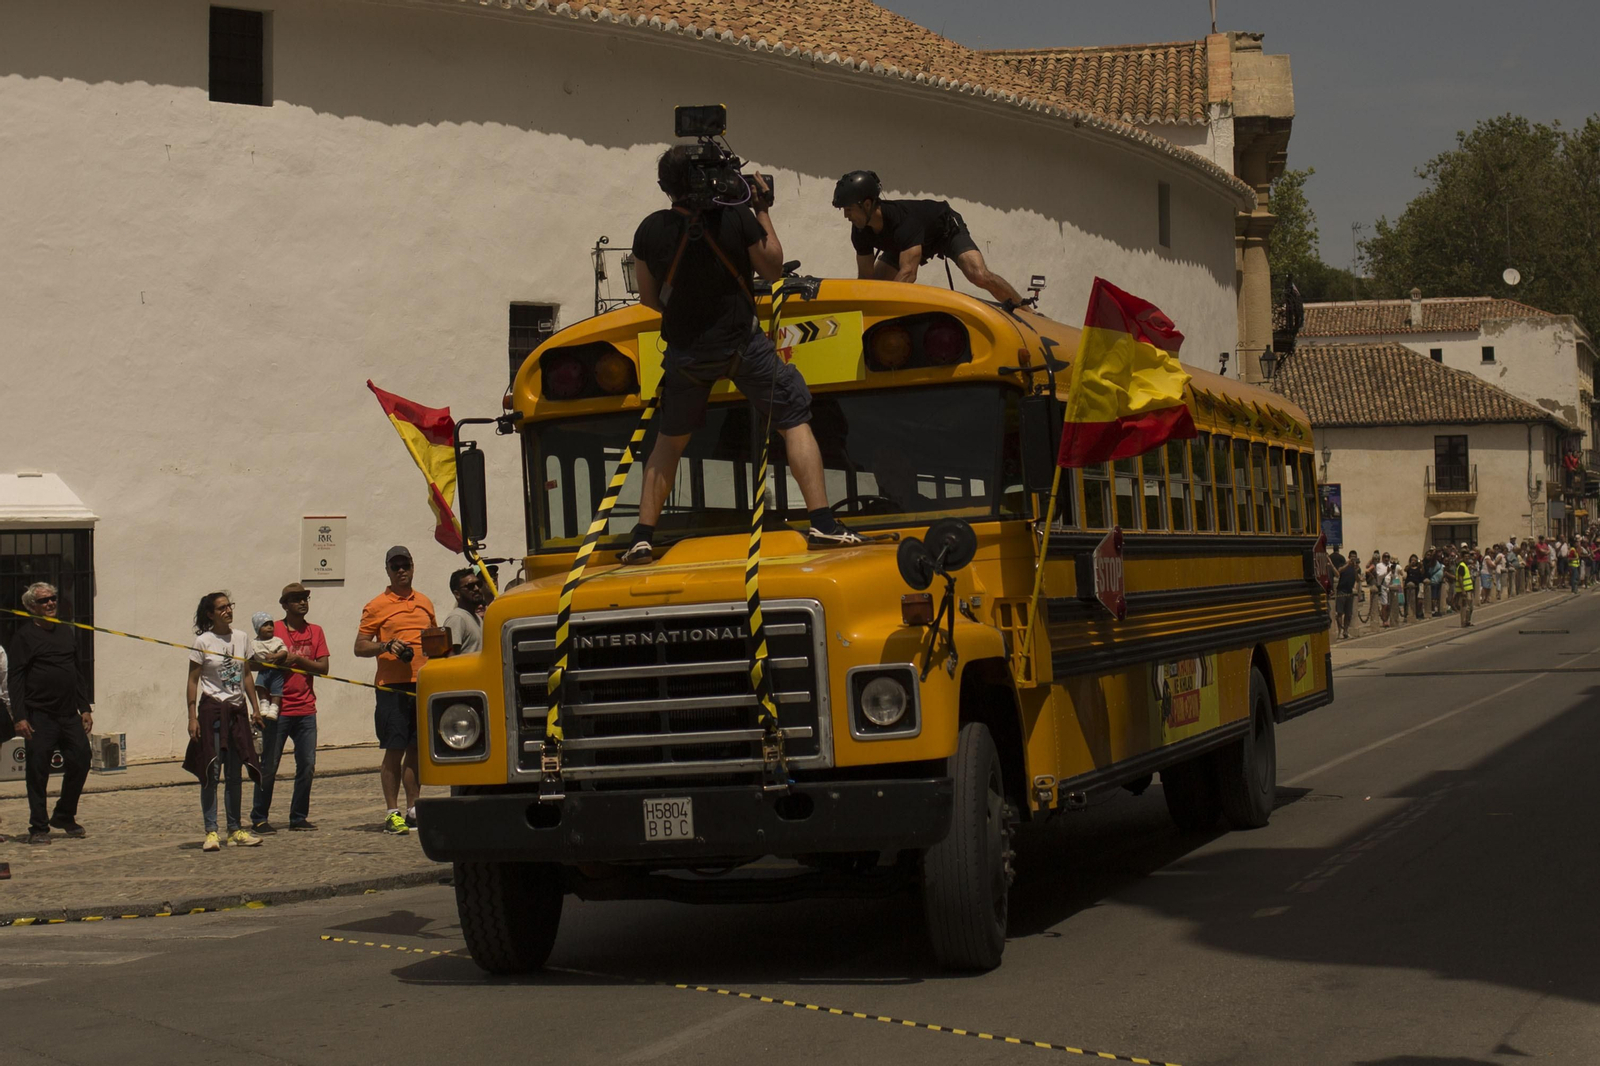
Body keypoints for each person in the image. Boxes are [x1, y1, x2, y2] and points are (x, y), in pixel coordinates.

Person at [623, 146, 864, 564]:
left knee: (669, 441)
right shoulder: (735, 217)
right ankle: (823, 523)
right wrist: (762, 208)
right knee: (793, 418)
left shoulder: (649, 230)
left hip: (685, 355)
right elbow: (772, 268)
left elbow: (648, 297)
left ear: (666, 188)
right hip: (743, 345)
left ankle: (643, 535)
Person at [832, 171, 1026, 306]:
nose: (846, 216)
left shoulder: (905, 222)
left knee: (979, 275)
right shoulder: (860, 231)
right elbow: (866, 280)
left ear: (867, 204)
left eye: (849, 209)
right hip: (901, 246)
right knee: (879, 287)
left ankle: (1027, 310)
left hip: (945, 231)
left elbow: (908, 274)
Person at [356, 545, 436, 834]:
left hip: (423, 683)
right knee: (395, 748)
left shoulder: (425, 602)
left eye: (406, 565)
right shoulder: (376, 605)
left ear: (413, 566)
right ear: (388, 570)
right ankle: (392, 811)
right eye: (395, 566)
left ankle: (414, 807)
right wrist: (386, 645)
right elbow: (360, 646)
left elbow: (434, 638)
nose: (401, 570)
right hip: (392, 687)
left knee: (416, 748)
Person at [7, 582, 93, 845]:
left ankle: (64, 815)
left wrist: (85, 707)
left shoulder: (66, 632)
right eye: (44, 601)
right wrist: (19, 716)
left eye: (53, 598)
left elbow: (76, 672)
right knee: (37, 770)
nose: (50, 604)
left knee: (82, 759)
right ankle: (39, 826)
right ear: (32, 607)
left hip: (68, 714)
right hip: (39, 715)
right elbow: (16, 679)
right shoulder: (24, 637)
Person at [183, 591, 264, 851]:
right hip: (212, 712)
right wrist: (191, 716)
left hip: (237, 711)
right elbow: (193, 680)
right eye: (221, 608)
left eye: (229, 606)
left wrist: (256, 708)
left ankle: (235, 829)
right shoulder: (203, 641)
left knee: (235, 773)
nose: (228, 611)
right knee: (211, 772)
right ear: (210, 614)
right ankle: (211, 831)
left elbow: (247, 675)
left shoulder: (241, 638)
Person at [250, 583, 329, 833]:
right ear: (284, 604)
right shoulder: (273, 629)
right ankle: (259, 817)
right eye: (295, 599)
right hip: (277, 709)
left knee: (307, 765)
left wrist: (297, 660)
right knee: (269, 766)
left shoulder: (316, 631)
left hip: (306, 708)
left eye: (305, 598)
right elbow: (251, 663)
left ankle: (298, 816)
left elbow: (323, 668)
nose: (302, 602)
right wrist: (269, 661)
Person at [249, 612, 288, 721]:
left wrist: (275, 655)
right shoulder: (254, 643)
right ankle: (264, 704)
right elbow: (249, 656)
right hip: (263, 670)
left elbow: (284, 651)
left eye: (271, 625)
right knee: (259, 686)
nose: (269, 627)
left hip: (276, 671)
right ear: (258, 629)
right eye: (265, 625)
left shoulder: (276, 640)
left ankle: (274, 708)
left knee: (276, 690)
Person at [445, 567, 485, 654]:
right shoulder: (457, 618)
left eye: (478, 584)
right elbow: (450, 658)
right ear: (457, 594)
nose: (476, 588)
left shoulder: (477, 618)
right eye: (470, 586)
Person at [1334, 552, 1359, 639]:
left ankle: (1346, 631)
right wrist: (1348, 564)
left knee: (1348, 613)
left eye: (1355, 557)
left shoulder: (1355, 567)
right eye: (1352, 557)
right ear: (1348, 557)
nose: (1353, 559)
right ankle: (1340, 631)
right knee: (1340, 612)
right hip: (1341, 591)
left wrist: (1356, 569)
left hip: (1349, 592)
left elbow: (1357, 579)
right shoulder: (1344, 564)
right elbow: (1339, 571)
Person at [1455, 550, 1476, 627]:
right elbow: (1460, 579)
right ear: (1462, 557)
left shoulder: (1466, 566)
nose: (1467, 558)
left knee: (1470, 607)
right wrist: (1463, 590)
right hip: (1465, 590)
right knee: (1464, 607)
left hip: (1469, 589)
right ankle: (1464, 622)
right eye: (1465, 557)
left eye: (1468, 557)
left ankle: (1468, 621)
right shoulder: (1461, 566)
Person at [1404, 554, 1424, 622]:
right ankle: (1407, 613)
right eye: (1412, 559)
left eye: (1415, 560)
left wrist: (1421, 565)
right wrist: (1410, 564)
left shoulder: (1419, 567)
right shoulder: (1408, 567)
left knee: (1418, 600)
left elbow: (1422, 572)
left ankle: (1417, 613)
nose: (1413, 561)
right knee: (1408, 600)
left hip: (1417, 584)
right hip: (1409, 585)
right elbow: (1405, 569)